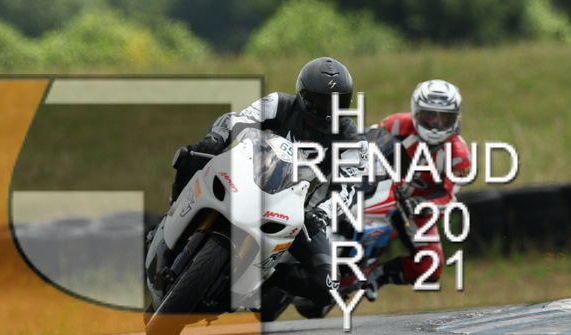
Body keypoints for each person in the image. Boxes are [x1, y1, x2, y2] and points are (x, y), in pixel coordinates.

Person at [170, 57, 369, 308]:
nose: (329, 112)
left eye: (338, 103)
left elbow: (348, 189)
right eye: (320, 103)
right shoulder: (278, 103)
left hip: (298, 213)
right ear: (302, 96)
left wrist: (322, 214)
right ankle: (175, 209)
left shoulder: (354, 141)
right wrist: (215, 139)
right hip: (248, 180)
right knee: (192, 155)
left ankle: (264, 278)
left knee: (327, 284)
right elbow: (236, 120)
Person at [361, 79, 472, 301]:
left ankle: (379, 274)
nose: (436, 123)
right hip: (378, 191)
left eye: (443, 117)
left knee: (431, 266)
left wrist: (422, 205)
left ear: (455, 117)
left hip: (415, 209)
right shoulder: (395, 124)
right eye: (430, 115)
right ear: (417, 112)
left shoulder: (460, 156)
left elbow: (448, 196)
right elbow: (362, 143)